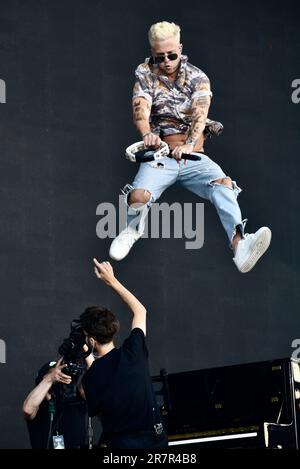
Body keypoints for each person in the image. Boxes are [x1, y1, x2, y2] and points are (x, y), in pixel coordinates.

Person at [109, 21, 271, 273]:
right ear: (153, 53)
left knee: (224, 185)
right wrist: (148, 134)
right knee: (138, 197)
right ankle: (131, 229)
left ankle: (239, 247)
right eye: (159, 56)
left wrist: (189, 144)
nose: (166, 61)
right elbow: (140, 110)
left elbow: (200, 114)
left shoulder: (198, 77)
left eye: (171, 55)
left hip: (193, 156)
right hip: (160, 156)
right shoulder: (145, 73)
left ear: (180, 49)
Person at [81, 258, 168, 449]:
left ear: (91, 340)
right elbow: (140, 311)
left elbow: (100, 412)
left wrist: (86, 353)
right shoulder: (133, 351)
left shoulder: (90, 378)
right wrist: (111, 280)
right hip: (156, 442)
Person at [22, 353, 93, 449]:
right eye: (55, 376)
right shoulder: (38, 406)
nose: (57, 379)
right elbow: (27, 410)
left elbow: (96, 375)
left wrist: (86, 351)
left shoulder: (76, 399)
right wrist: (49, 379)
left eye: (60, 376)